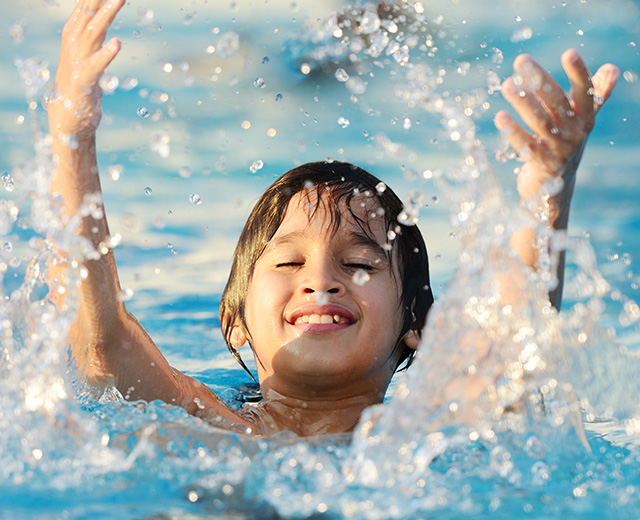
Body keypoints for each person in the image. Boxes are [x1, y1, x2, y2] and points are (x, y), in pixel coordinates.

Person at [46, 0, 620, 436]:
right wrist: (71, 140)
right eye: (290, 260)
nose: (321, 280)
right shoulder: (198, 422)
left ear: (414, 323)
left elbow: (510, 348)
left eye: (359, 262)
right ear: (236, 319)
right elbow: (100, 338)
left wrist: (549, 187)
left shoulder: (426, 436)